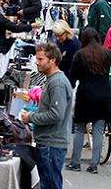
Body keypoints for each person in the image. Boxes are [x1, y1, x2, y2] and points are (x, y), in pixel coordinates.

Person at [67, 28, 111, 174]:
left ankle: (75, 163)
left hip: (85, 96)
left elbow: (73, 76)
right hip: (103, 96)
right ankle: (94, 164)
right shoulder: (106, 53)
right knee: (98, 130)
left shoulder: (80, 55)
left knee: (79, 129)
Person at [21, 43, 72, 189]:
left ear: (53, 60)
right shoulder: (53, 80)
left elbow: (56, 114)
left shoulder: (57, 83)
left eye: (40, 59)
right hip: (49, 143)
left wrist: (30, 117)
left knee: (50, 184)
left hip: (51, 144)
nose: (37, 62)